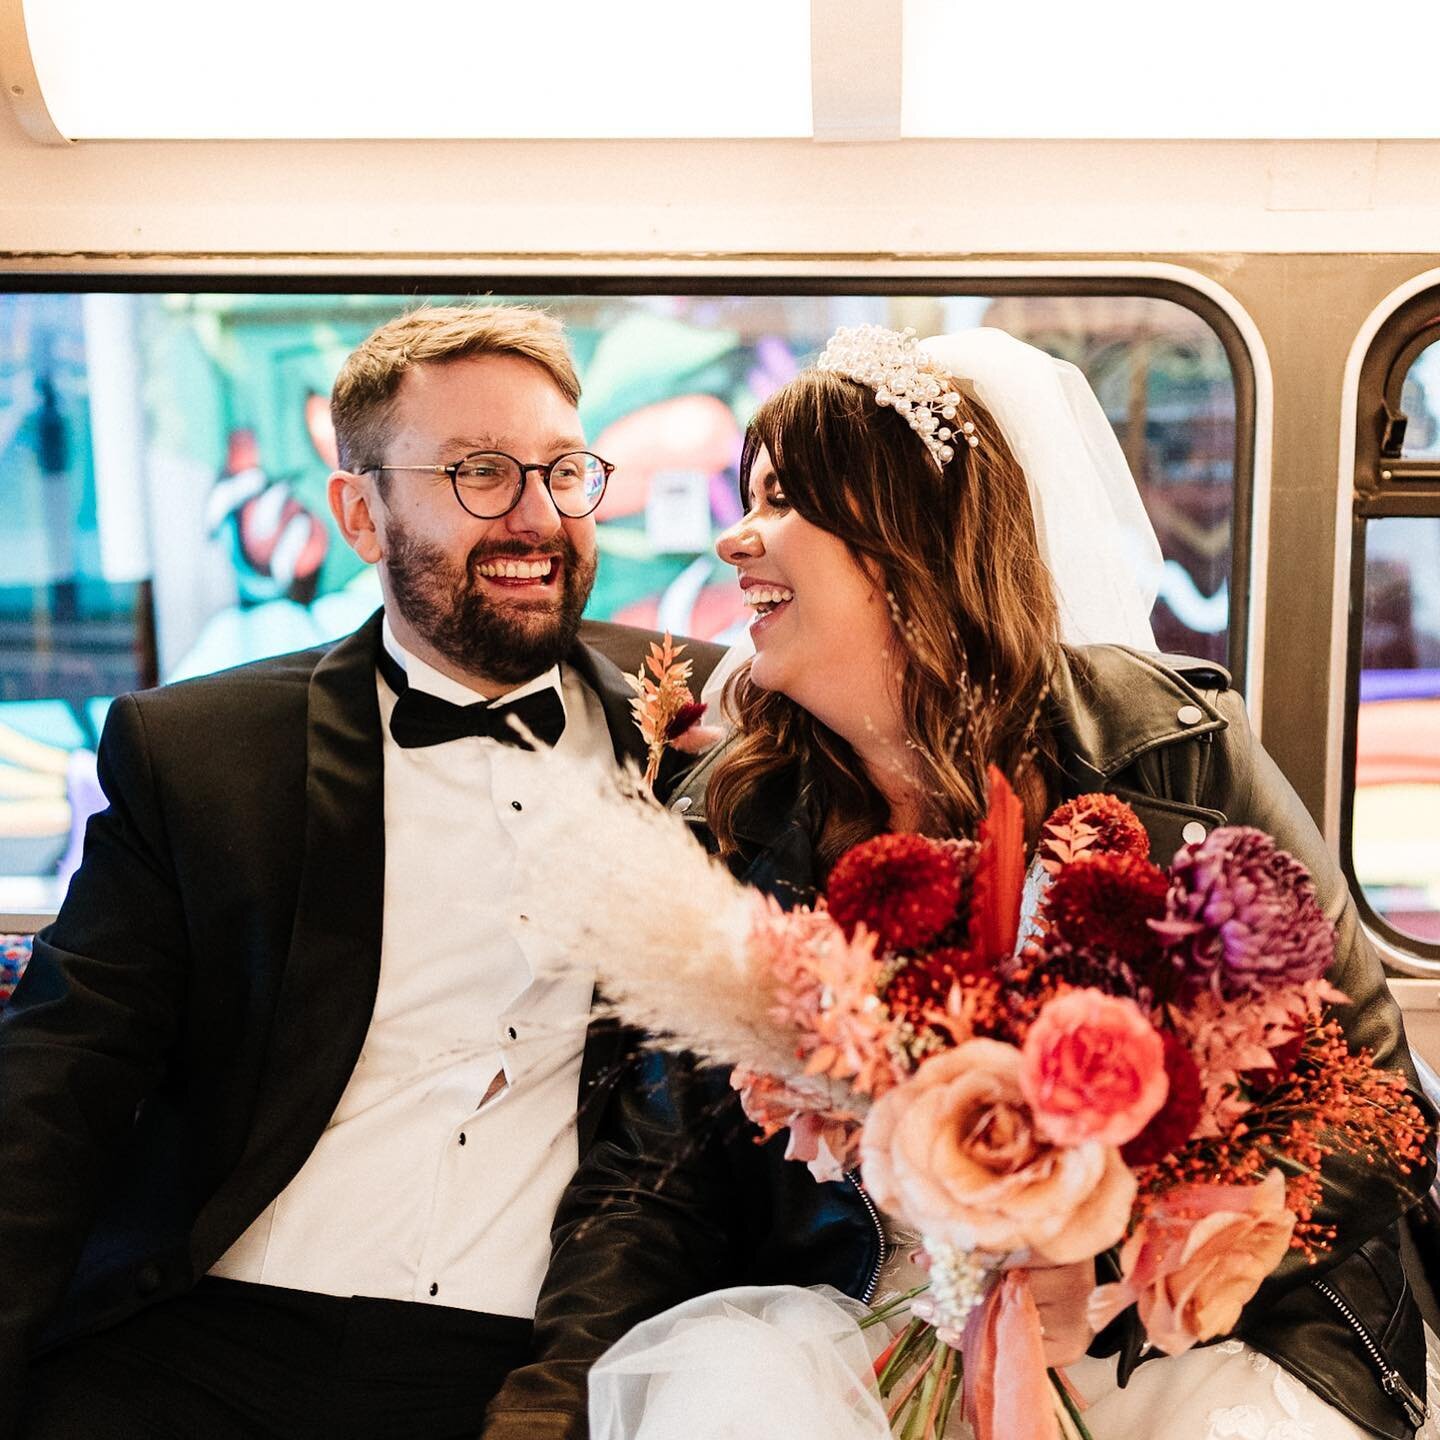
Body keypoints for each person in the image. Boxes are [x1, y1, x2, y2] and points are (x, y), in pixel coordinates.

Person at [496, 326, 1439, 1439]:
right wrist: (546, 1404)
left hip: (1189, 1345)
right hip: (862, 1338)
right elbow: (658, 1184)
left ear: (905, 540)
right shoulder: (734, 826)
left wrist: (1122, 1256)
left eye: (779, 499)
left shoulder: (1179, 748)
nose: (732, 541)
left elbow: (1378, 1116)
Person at [0, 303, 720, 1440]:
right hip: (202, 1345)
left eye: (562, 470)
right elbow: (56, 1085)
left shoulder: (716, 724)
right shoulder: (201, 754)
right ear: (358, 512)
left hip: (526, 1363)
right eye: (479, 473)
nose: (537, 517)